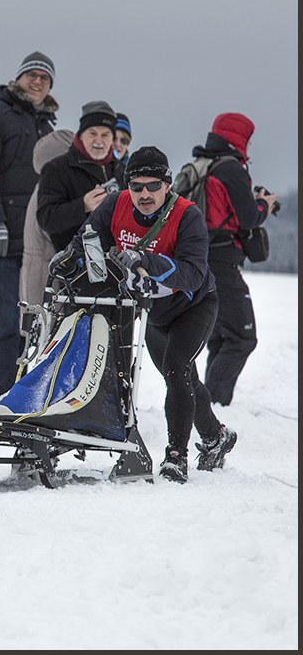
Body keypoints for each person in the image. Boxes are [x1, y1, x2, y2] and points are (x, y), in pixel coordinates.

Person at [50, 146, 237, 483]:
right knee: (183, 377)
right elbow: (89, 238)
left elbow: (193, 273)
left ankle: (176, 457)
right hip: (152, 310)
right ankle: (215, 437)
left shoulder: (187, 214)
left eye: (153, 186)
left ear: (167, 185)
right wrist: (71, 257)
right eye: (136, 186)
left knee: (176, 368)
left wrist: (145, 262)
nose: (145, 194)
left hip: (193, 305)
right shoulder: (116, 204)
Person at [0, 50, 59, 397]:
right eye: (31, 75)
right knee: (8, 323)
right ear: (18, 78)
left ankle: (28, 398)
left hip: (37, 240)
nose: (37, 82)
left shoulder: (47, 126)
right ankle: (4, 401)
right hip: (0, 239)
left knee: (35, 325)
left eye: (44, 78)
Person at [192, 113, 277, 406]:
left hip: (200, 261)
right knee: (242, 337)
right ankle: (213, 405)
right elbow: (248, 217)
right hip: (223, 263)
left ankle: (208, 402)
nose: (249, 148)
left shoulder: (204, 164)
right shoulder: (231, 169)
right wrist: (264, 205)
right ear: (238, 139)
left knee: (221, 337)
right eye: (248, 141)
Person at [37, 100, 127, 253]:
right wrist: (83, 206)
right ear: (80, 135)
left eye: (105, 135)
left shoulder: (122, 171)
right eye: (92, 133)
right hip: (74, 266)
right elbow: (46, 219)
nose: (99, 141)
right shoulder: (56, 169)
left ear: (112, 139)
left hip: (119, 264)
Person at [18, 129, 75, 308]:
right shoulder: (50, 191)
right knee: (48, 331)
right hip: (47, 280)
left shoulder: (41, 187)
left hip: (36, 274)